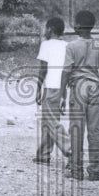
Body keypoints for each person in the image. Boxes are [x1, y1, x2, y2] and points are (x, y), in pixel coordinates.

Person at [60, 10, 99, 181]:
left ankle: (76, 170)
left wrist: (61, 95)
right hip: (95, 88)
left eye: (75, 22)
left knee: (76, 129)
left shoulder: (72, 46)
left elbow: (66, 72)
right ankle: (95, 171)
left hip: (78, 88)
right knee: (94, 130)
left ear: (78, 26)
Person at [35, 17, 69, 164]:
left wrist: (38, 88)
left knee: (51, 121)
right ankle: (43, 154)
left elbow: (43, 69)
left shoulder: (46, 45)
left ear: (50, 29)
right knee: (48, 120)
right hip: (62, 87)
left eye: (45, 28)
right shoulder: (68, 45)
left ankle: (70, 150)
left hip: (51, 86)